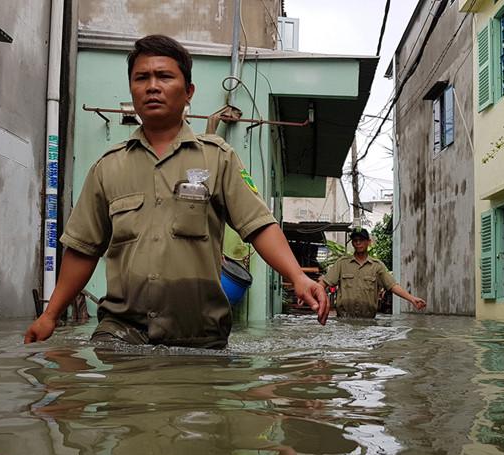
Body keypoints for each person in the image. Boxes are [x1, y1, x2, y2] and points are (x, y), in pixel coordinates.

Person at [25, 34, 328, 348]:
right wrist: (50, 314)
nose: (152, 86)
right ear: (131, 88)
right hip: (122, 330)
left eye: (165, 76)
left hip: (200, 335)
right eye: (142, 78)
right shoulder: (107, 167)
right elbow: (83, 248)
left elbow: (259, 225)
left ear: (188, 93)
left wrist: (297, 276)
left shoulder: (217, 158)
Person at [319, 227, 426, 318]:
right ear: (352, 243)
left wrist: (412, 299)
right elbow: (325, 282)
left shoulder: (377, 266)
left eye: (361, 240)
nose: (358, 243)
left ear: (368, 242)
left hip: (368, 321)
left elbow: (392, 286)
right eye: (355, 240)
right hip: (344, 319)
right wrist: (308, 294)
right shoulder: (342, 264)